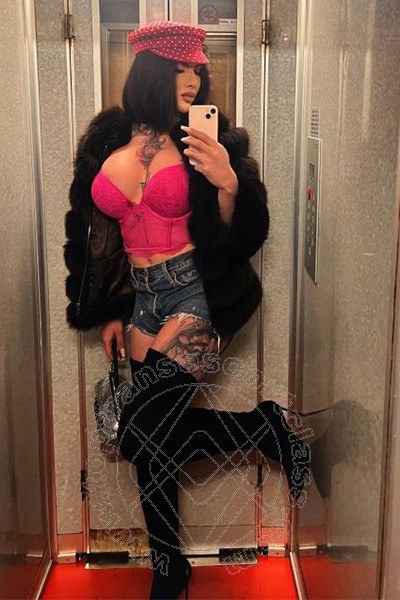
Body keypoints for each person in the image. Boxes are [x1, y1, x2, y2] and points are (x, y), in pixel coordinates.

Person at [64, 21, 311, 600]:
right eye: (181, 68)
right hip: (141, 301)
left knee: (140, 432)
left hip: (192, 296)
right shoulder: (105, 141)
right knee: (149, 442)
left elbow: (241, 237)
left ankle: (266, 430)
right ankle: (171, 563)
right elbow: (95, 237)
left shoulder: (211, 139)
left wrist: (228, 186)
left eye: (198, 68)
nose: (194, 79)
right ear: (152, 73)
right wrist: (108, 310)